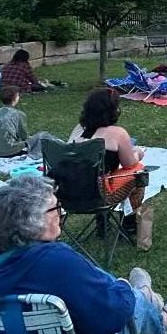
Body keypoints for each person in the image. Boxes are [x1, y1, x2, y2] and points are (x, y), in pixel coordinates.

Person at [0, 175, 167, 334]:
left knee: (94, 277)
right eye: (56, 208)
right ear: (33, 220)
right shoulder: (56, 262)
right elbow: (112, 317)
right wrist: (126, 290)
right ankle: (158, 316)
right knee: (130, 300)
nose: (62, 213)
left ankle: (142, 294)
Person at [68, 88, 147, 238]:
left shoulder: (77, 131)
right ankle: (130, 223)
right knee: (139, 171)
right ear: (113, 110)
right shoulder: (116, 133)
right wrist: (137, 152)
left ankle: (102, 223)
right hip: (100, 195)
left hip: (69, 193)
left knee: (97, 176)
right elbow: (129, 164)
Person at [0, 86, 51, 159]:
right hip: (10, 151)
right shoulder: (18, 114)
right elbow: (24, 136)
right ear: (15, 98)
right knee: (43, 135)